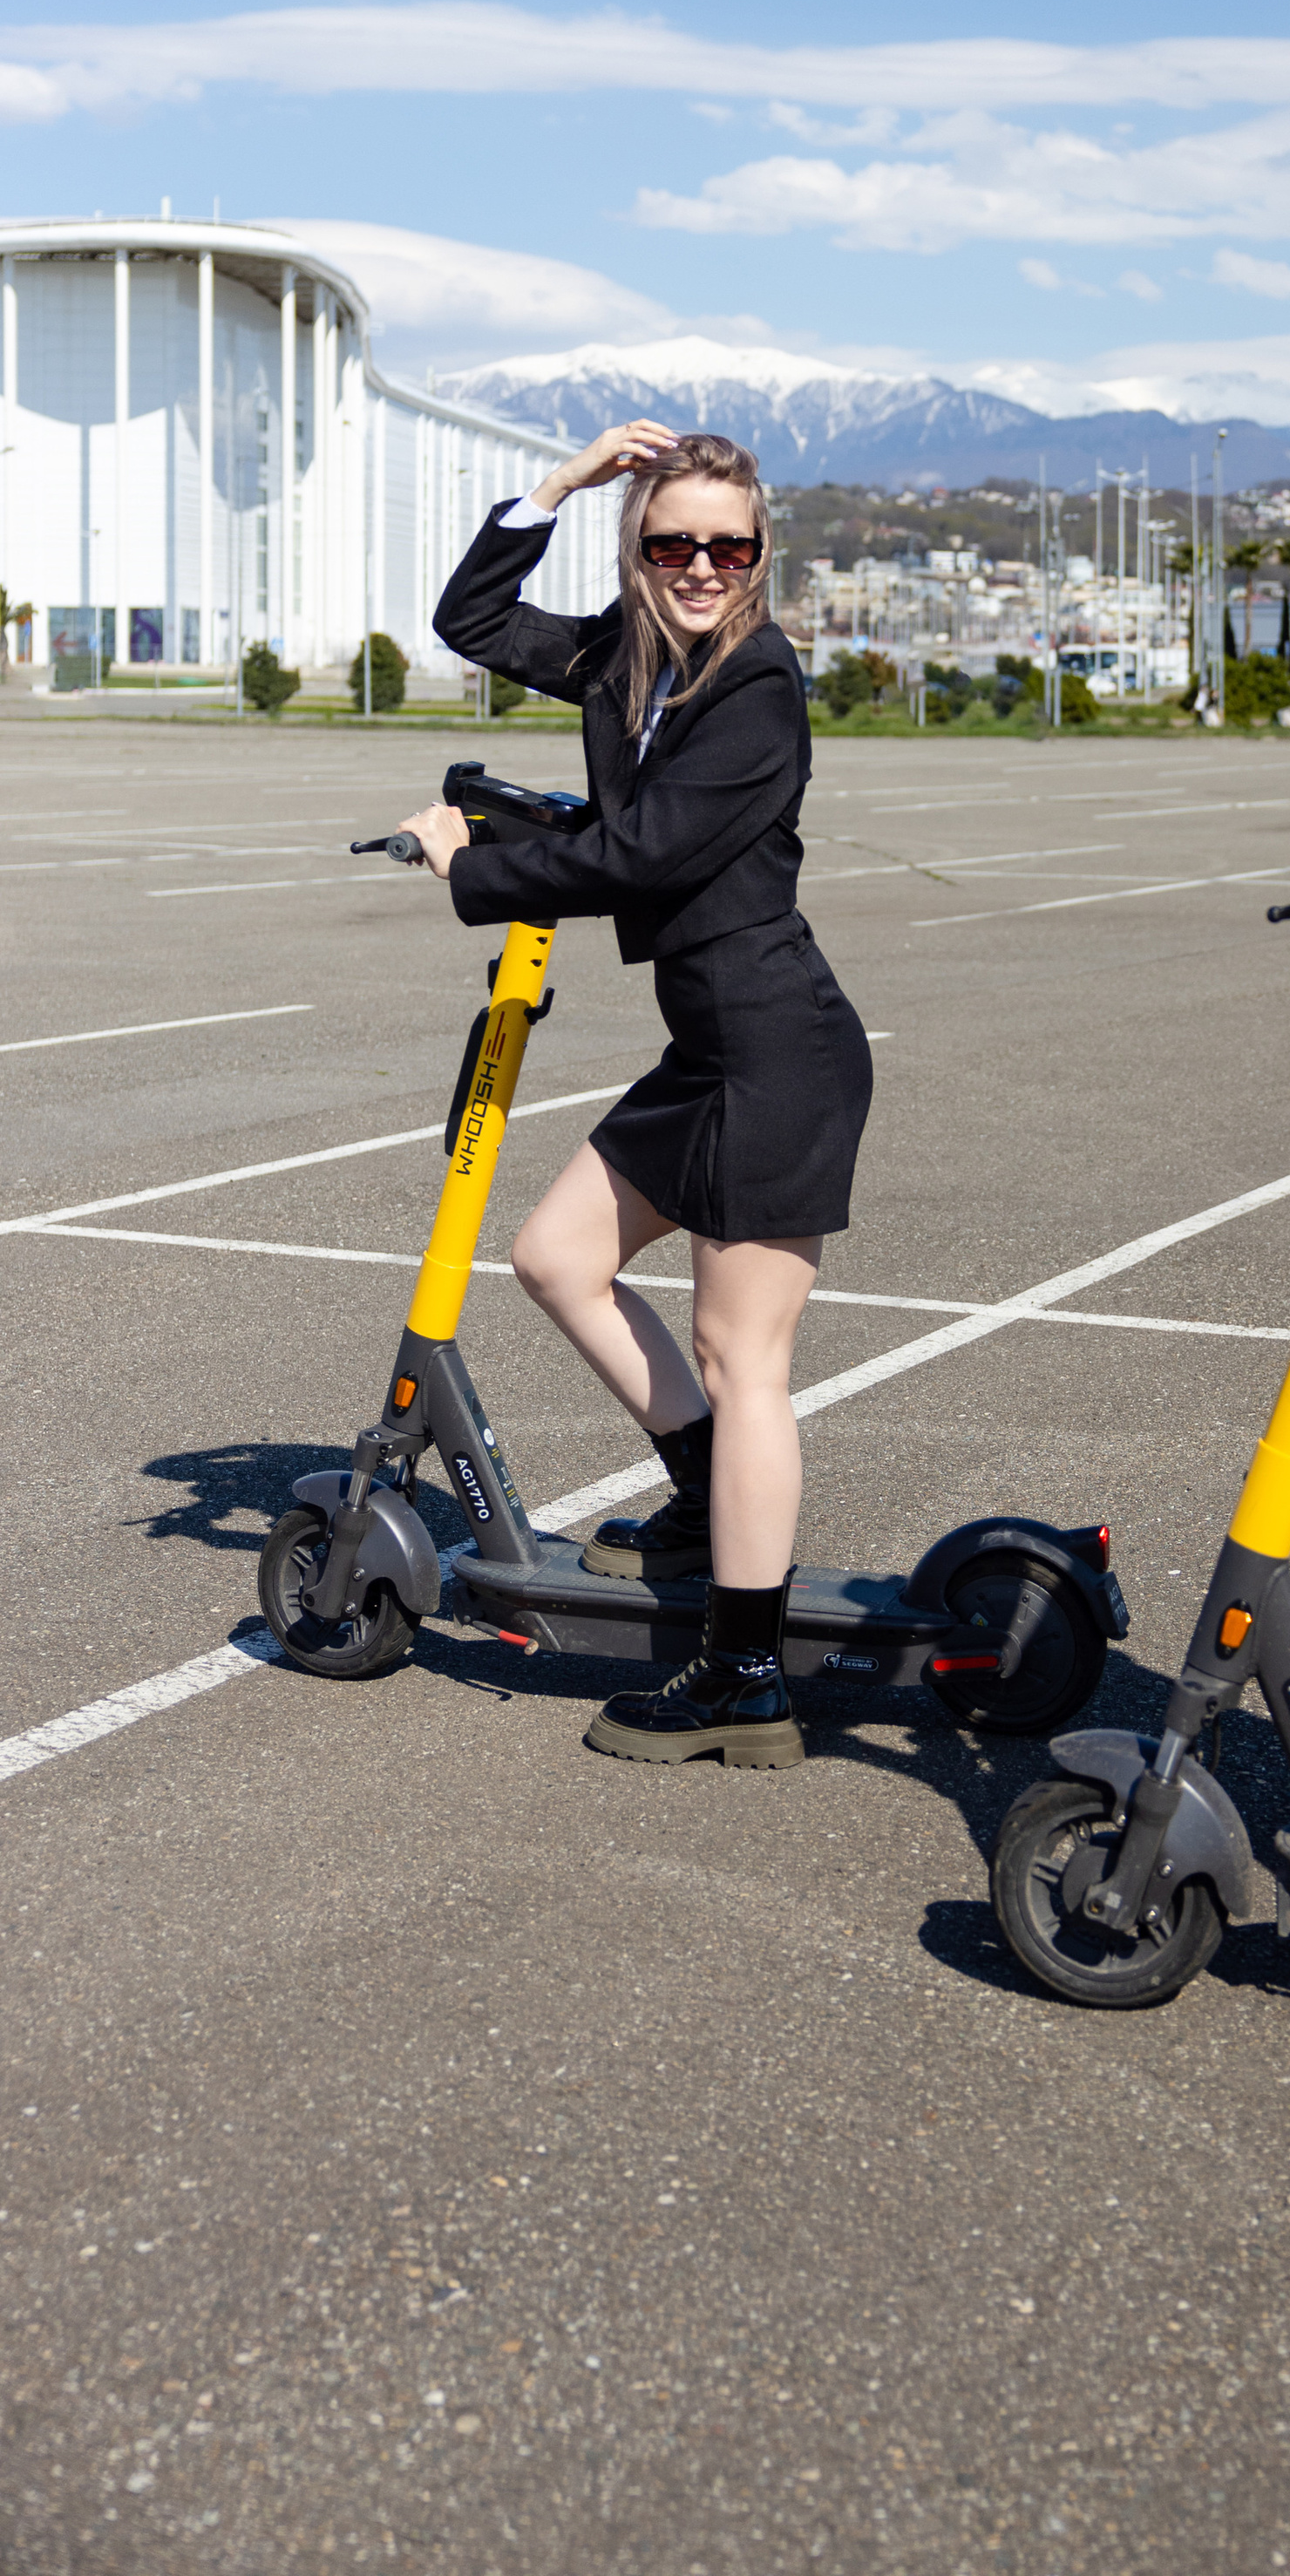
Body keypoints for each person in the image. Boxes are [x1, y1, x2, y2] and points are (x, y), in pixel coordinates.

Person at [398, 419, 873, 1774]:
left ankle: (743, 1676)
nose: (704, 565)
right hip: (709, 1049)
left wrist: (469, 865)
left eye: (731, 544)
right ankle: (697, 1487)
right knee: (557, 1257)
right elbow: (474, 618)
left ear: (762, 553)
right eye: (676, 542)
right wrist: (553, 487)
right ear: (641, 546)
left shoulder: (759, 690)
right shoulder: (631, 654)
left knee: (745, 1359)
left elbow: (644, 852)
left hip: (779, 1052)